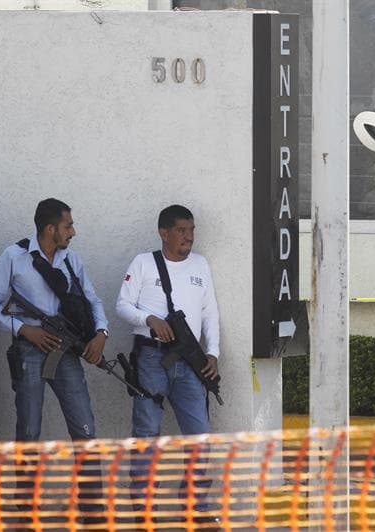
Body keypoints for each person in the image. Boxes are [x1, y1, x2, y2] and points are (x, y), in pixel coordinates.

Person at [116, 204, 220, 525]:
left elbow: (209, 312)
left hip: (190, 360)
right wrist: (149, 319)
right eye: (181, 231)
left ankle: (196, 506)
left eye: (191, 230)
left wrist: (213, 352)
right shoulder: (144, 263)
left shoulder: (200, 265)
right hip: (151, 356)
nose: (189, 237)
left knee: (199, 435)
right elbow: (122, 305)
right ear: (164, 233)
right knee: (147, 434)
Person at [0, 198, 108, 441]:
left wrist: (102, 333)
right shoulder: (15, 256)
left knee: (85, 429)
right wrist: (23, 329)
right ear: (51, 229)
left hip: (67, 348)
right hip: (30, 348)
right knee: (29, 431)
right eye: (68, 226)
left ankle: (91, 481)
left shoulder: (71, 259)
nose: (73, 232)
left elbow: (93, 300)